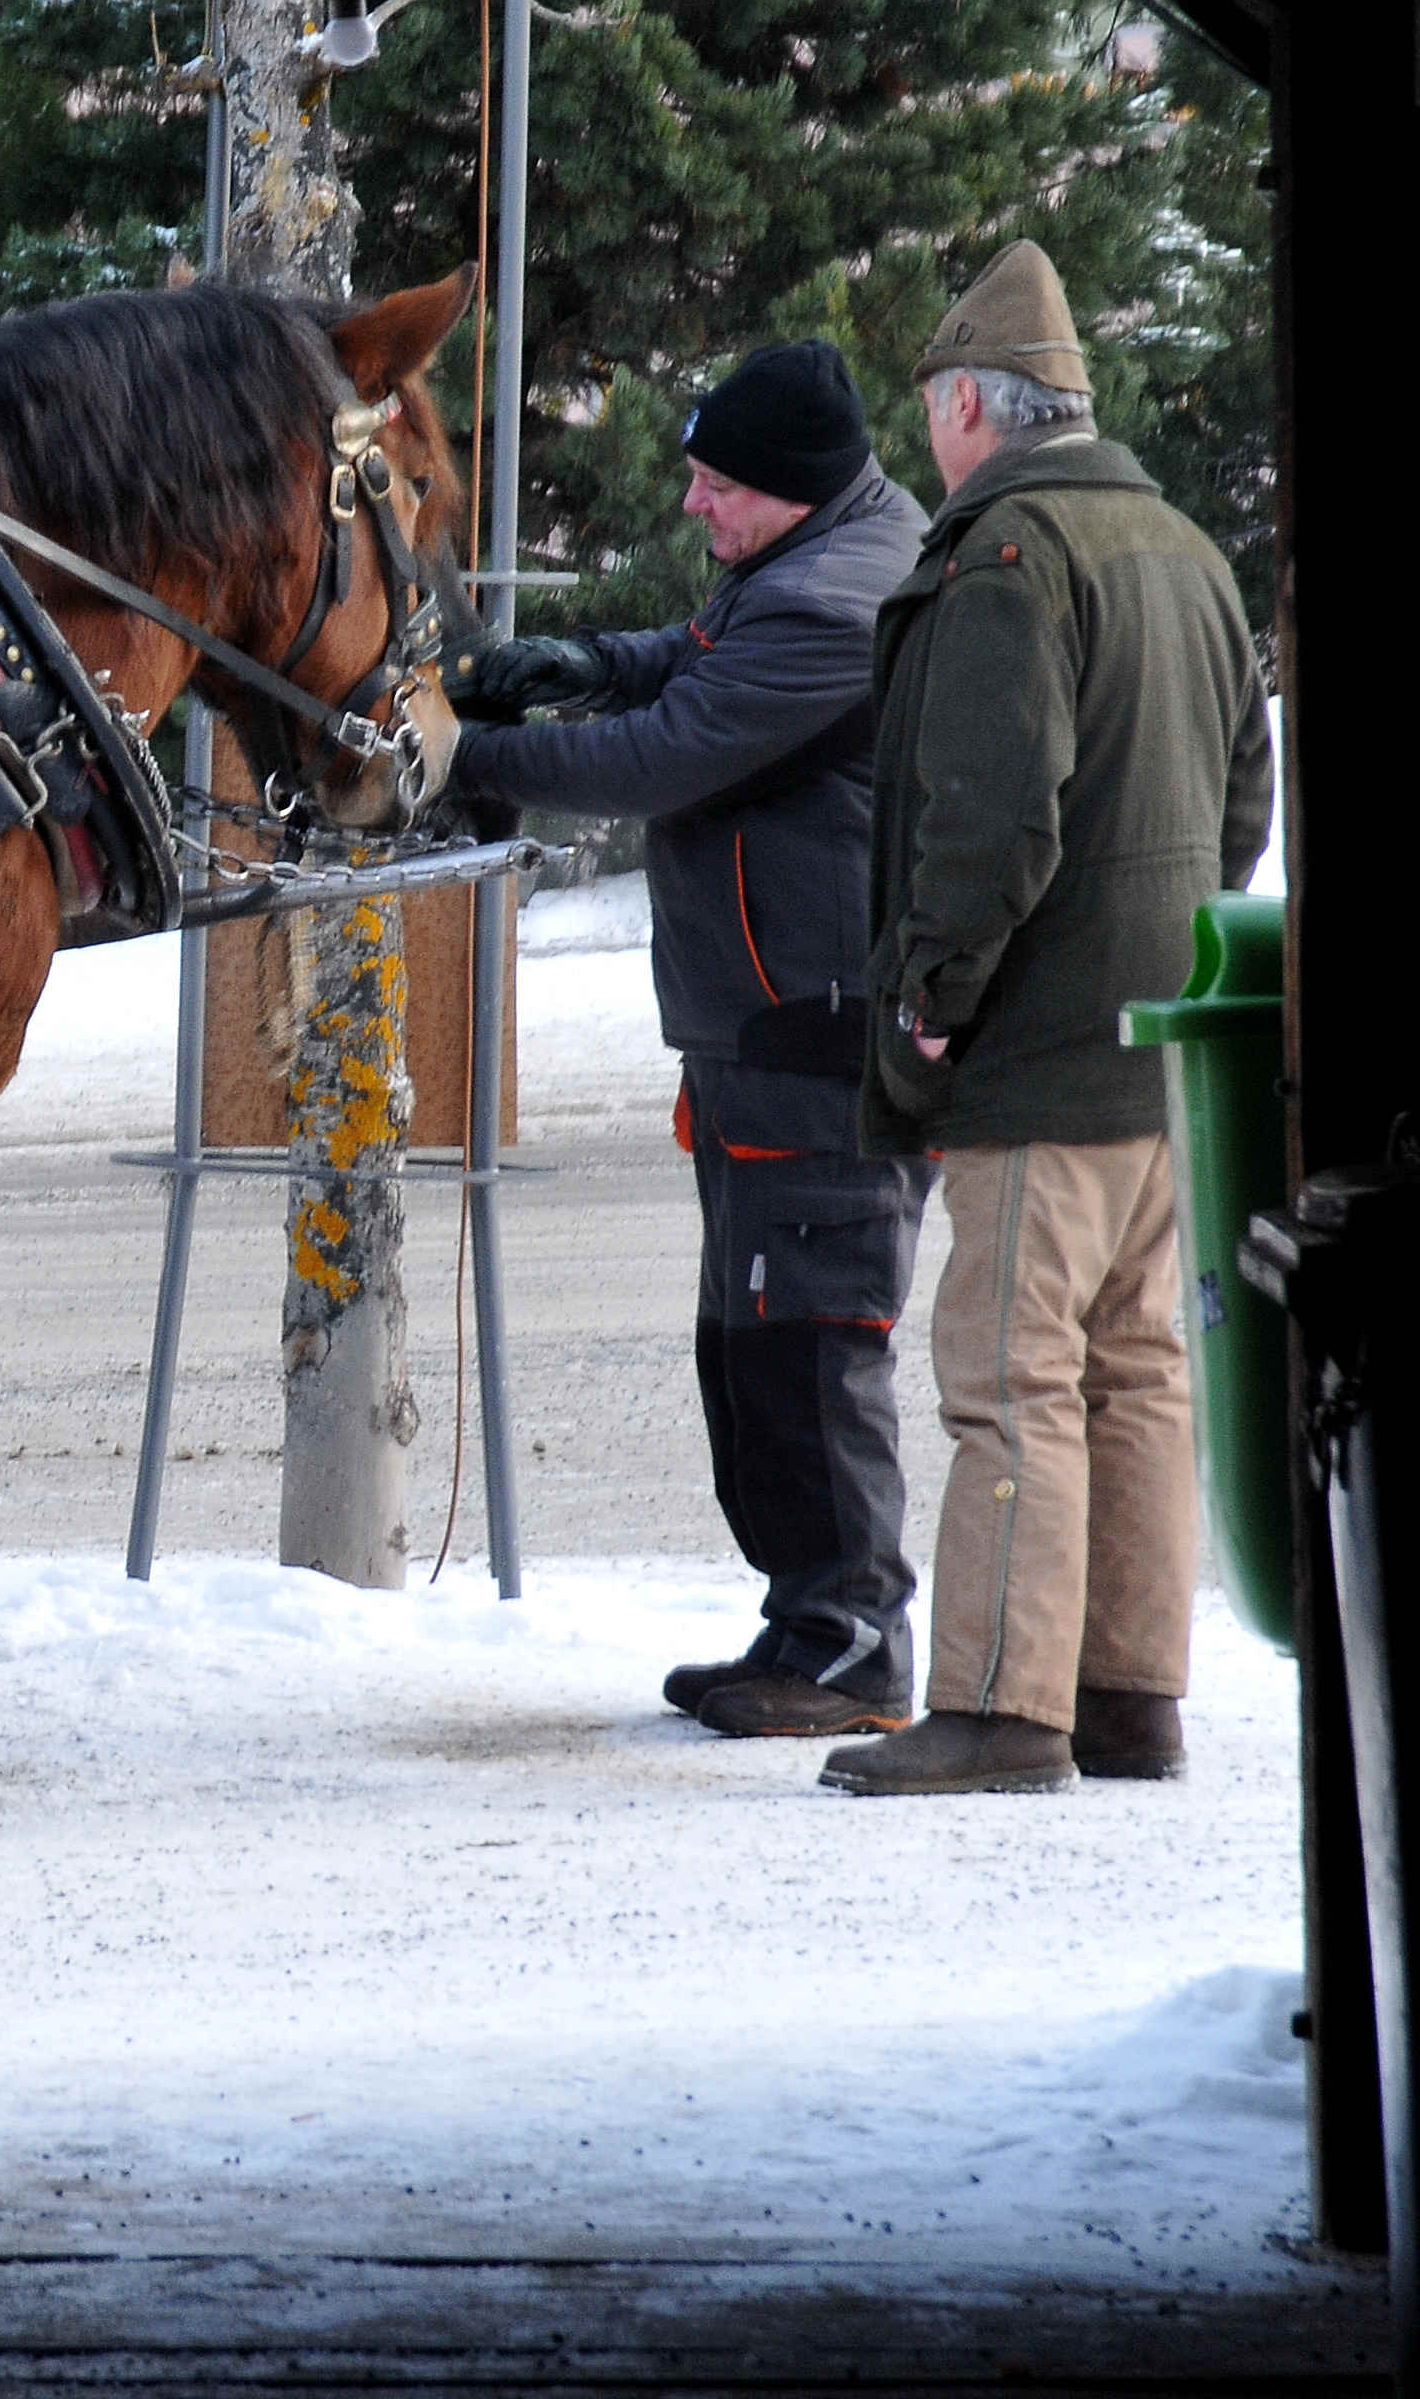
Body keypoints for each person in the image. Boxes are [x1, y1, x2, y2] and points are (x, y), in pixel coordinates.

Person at [818, 241, 1271, 1798]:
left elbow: (989, 822)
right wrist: (1163, 957)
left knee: (1009, 1382)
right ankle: (1129, 1693)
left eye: (936, 405)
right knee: (1137, 1373)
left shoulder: (1009, 558)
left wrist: (936, 998)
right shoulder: (1188, 552)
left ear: (973, 408)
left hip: (1037, 1060)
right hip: (1166, 1056)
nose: (930, 434)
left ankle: (1008, 1711)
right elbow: (1243, 807)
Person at [442, 342, 932, 1737]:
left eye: (717, 484)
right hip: (762, 1019)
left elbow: (662, 753)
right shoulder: (807, 559)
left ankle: (849, 1642)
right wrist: (583, 662)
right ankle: (807, 1623)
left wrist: (460, 755)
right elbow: (689, 664)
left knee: (813, 1335)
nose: (693, 507)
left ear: (789, 491)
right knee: (753, 1337)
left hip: (812, 1028)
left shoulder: (837, 606)